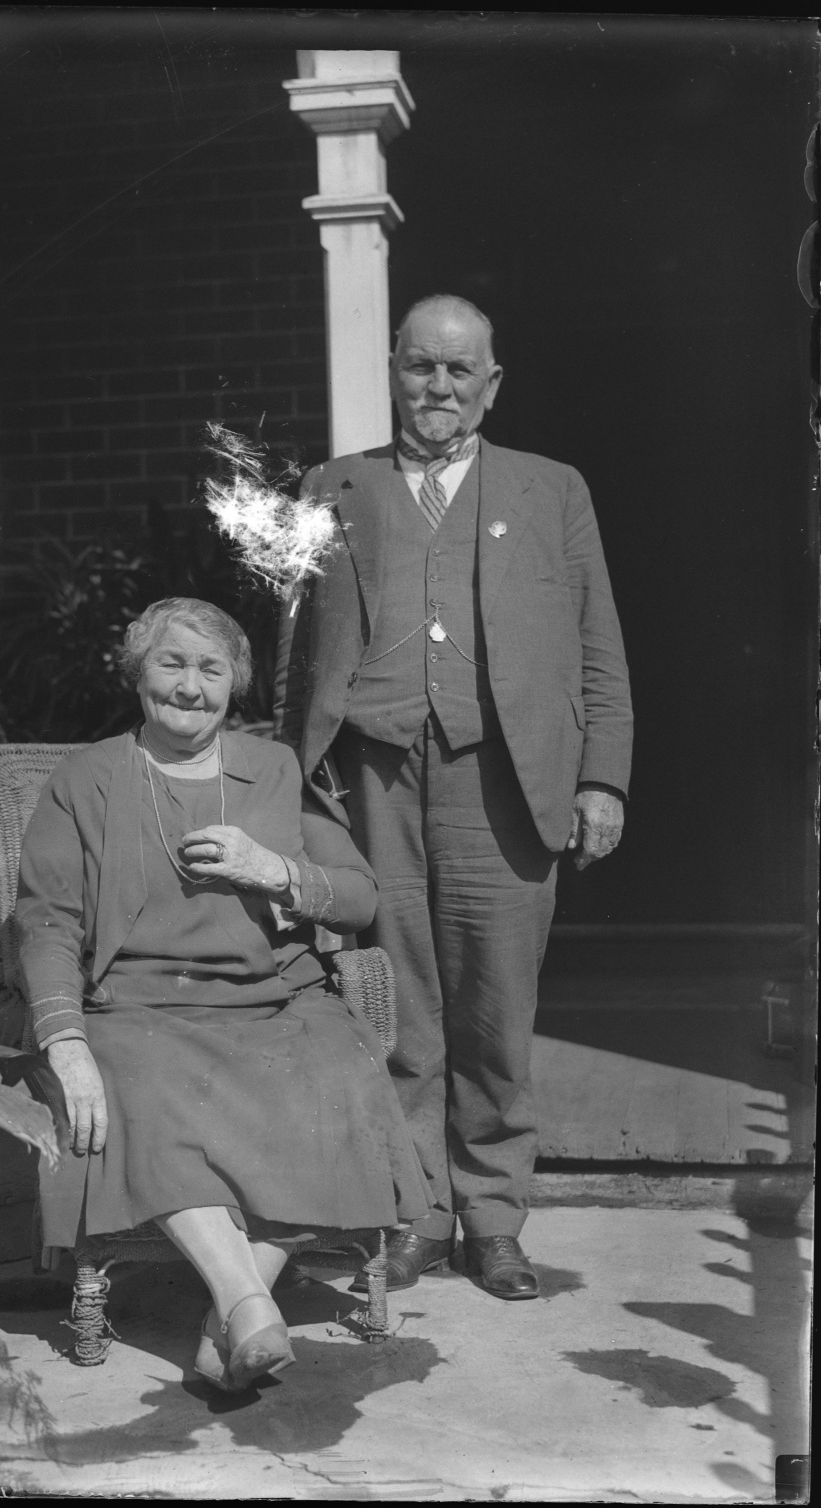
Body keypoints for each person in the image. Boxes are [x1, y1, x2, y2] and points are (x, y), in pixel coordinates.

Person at [274, 295, 633, 1301]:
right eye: (420, 368)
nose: (437, 388)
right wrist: (281, 777)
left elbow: (598, 642)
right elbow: (290, 649)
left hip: (503, 778)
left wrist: (602, 773)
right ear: (394, 369)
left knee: (493, 1004)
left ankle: (495, 1217)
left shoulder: (553, 489)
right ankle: (416, 1212)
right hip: (368, 775)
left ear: (491, 384)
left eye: (457, 372)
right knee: (396, 1000)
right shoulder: (333, 485)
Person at [16, 597, 431, 1392]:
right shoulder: (85, 780)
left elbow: (358, 896)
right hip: (137, 1008)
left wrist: (269, 869)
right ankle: (246, 1302)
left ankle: (231, 1319)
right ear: (139, 671)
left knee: (335, 1074)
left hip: (275, 1002)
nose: (190, 686)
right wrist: (64, 1039)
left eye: (211, 669)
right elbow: (45, 920)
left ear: (234, 686)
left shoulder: (273, 769)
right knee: (136, 1082)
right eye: (172, 663)